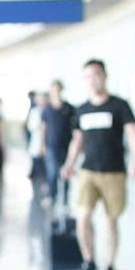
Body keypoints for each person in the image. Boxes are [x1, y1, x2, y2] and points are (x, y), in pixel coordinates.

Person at [62, 59, 135, 270]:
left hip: (114, 172)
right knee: (83, 216)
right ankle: (89, 260)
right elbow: (77, 141)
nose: (93, 80)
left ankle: (110, 265)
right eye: (88, 76)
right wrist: (69, 163)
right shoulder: (81, 110)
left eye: (96, 74)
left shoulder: (120, 106)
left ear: (105, 76)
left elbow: (132, 134)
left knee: (111, 220)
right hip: (88, 171)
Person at [40, 80, 76, 208]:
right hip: (51, 146)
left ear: (61, 90)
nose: (56, 92)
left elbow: (75, 129)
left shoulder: (70, 108)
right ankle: (52, 196)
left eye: (58, 89)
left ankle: (65, 200)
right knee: (52, 173)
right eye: (53, 89)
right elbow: (43, 128)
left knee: (65, 172)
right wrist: (42, 145)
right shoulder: (47, 110)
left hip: (66, 146)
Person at [27, 91, 48, 209]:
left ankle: (44, 187)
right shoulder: (34, 112)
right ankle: (37, 190)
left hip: (46, 144)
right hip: (36, 142)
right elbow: (31, 126)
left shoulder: (48, 110)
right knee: (37, 165)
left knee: (45, 168)